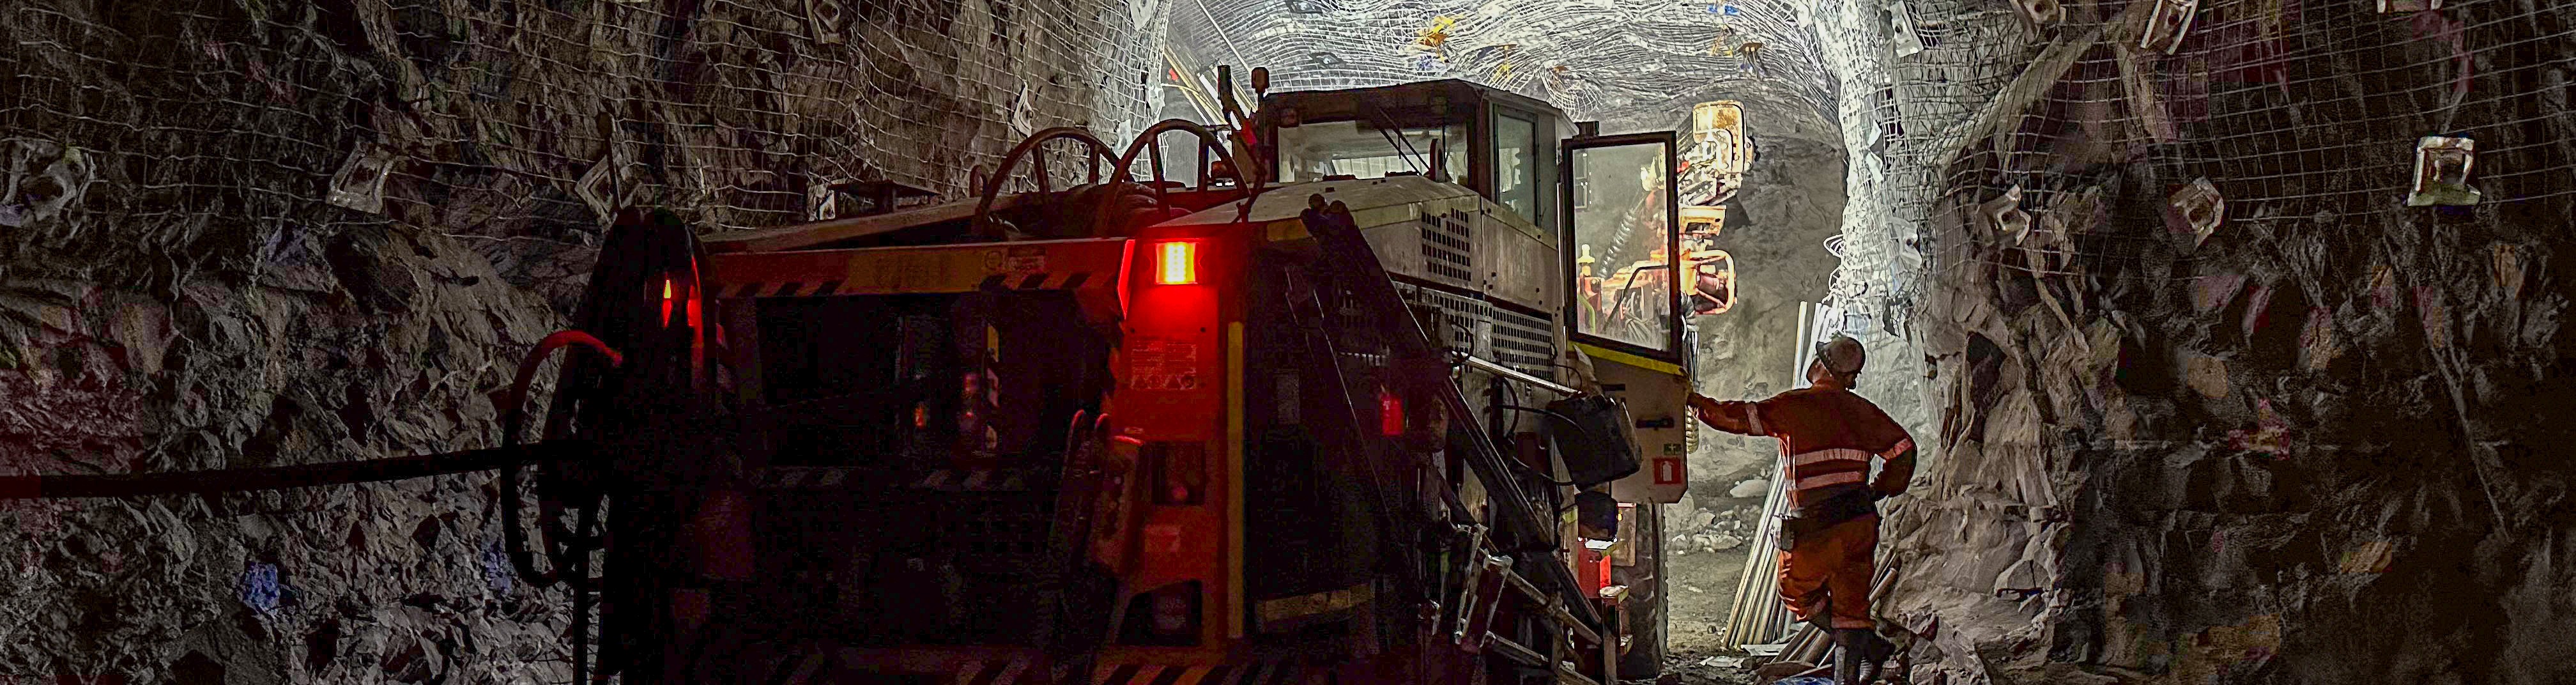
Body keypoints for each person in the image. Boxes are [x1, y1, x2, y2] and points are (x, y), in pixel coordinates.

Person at [1687, 335, 1916, 684]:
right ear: (1851, 377)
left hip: (1815, 527)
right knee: (1852, 609)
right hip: (1859, 523)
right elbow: (1903, 450)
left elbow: (1736, 418)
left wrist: (1692, 401)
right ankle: (1856, 668)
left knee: (1796, 591)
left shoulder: (1795, 406)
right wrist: (1881, 489)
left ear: (1821, 365)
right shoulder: (1863, 411)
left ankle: (1871, 649)